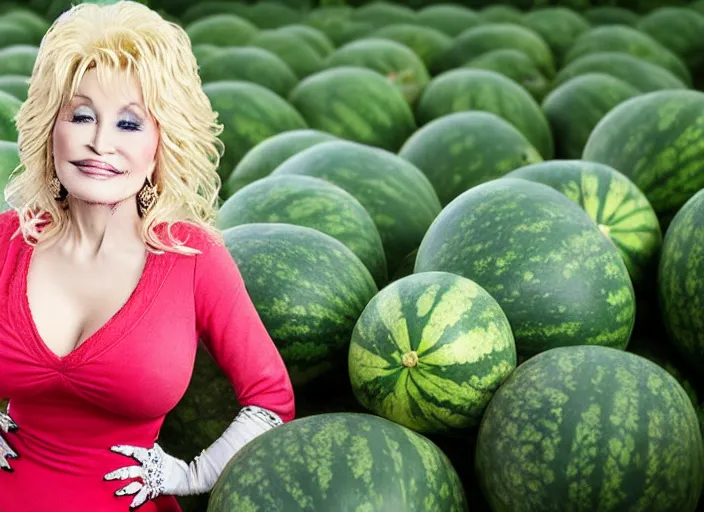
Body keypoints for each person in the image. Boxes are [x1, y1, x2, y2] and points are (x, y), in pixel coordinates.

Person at [0, 2, 295, 511]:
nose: (99, 143)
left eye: (130, 124)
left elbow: (270, 401)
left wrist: (191, 473)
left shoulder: (193, 257)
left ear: (162, 142)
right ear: (52, 127)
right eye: (82, 115)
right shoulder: (7, 242)